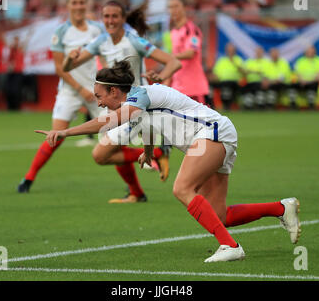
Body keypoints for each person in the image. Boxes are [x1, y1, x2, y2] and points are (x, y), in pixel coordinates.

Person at [36, 60, 302, 262]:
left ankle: (231, 247)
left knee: (182, 189)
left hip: (210, 133)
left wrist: (66, 131)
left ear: (114, 91)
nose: (99, 102)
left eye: (100, 96)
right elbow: (149, 125)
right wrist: (149, 152)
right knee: (220, 215)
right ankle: (280, 208)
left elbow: (109, 121)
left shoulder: (138, 97)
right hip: (214, 135)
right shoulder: (136, 103)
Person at [63, 0, 182, 203]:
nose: (110, 20)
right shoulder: (101, 41)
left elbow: (173, 61)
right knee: (113, 149)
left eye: (114, 16)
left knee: (100, 155)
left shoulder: (134, 41)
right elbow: (67, 68)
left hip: (135, 107)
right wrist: (69, 57)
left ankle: (158, 152)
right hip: (115, 107)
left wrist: (162, 76)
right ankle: (136, 192)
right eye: (106, 16)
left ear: (123, 18)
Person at [17, 0, 105, 193]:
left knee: (112, 140)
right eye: (75, 2)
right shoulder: (61, 32)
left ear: (86, 4)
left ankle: (134, 189)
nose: (79, 6)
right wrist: (80, 89)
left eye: (82, 2)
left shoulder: (97, 29)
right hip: (71, 90)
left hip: (96, 91)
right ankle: (28, 178)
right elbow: (59, 67)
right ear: (68, 6)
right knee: (56, 135)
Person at [166, 0, 209, 104]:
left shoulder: (192, 30)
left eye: (176, 6)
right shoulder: (173, 32)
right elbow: (174, 59)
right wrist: (167, 80)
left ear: (184, 8)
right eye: (170, 7)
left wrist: (168, 57)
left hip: (193, 87)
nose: (173, 10)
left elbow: (190, 53)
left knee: (199, 120)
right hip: (178, 86)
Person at [211, 43, 245, 110]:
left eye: (232, 50)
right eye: (229, 50)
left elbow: (244, 72)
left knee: (229, 86)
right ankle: (224, 105)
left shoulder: (238, 60)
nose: (230, 52)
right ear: (226, 51)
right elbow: (215, 73)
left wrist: (234, 63)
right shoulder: (221, 60)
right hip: (223, 82)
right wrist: (215, 78)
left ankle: (231, 105)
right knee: (221, 86)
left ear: (235, 51)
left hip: (235, 82)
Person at [292, 45, 319, 110]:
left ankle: (311, 105)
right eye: (308, 51)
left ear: (314, 52)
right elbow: (297, 74)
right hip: (302, 82)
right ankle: (292, 105)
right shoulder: (300, 61)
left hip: (313, 82)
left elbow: (318, 76)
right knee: (292, 86)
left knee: (313, 86)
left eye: (312, 51)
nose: (310, 53)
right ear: (305, 52)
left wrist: (308, 82)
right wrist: (302, 81)